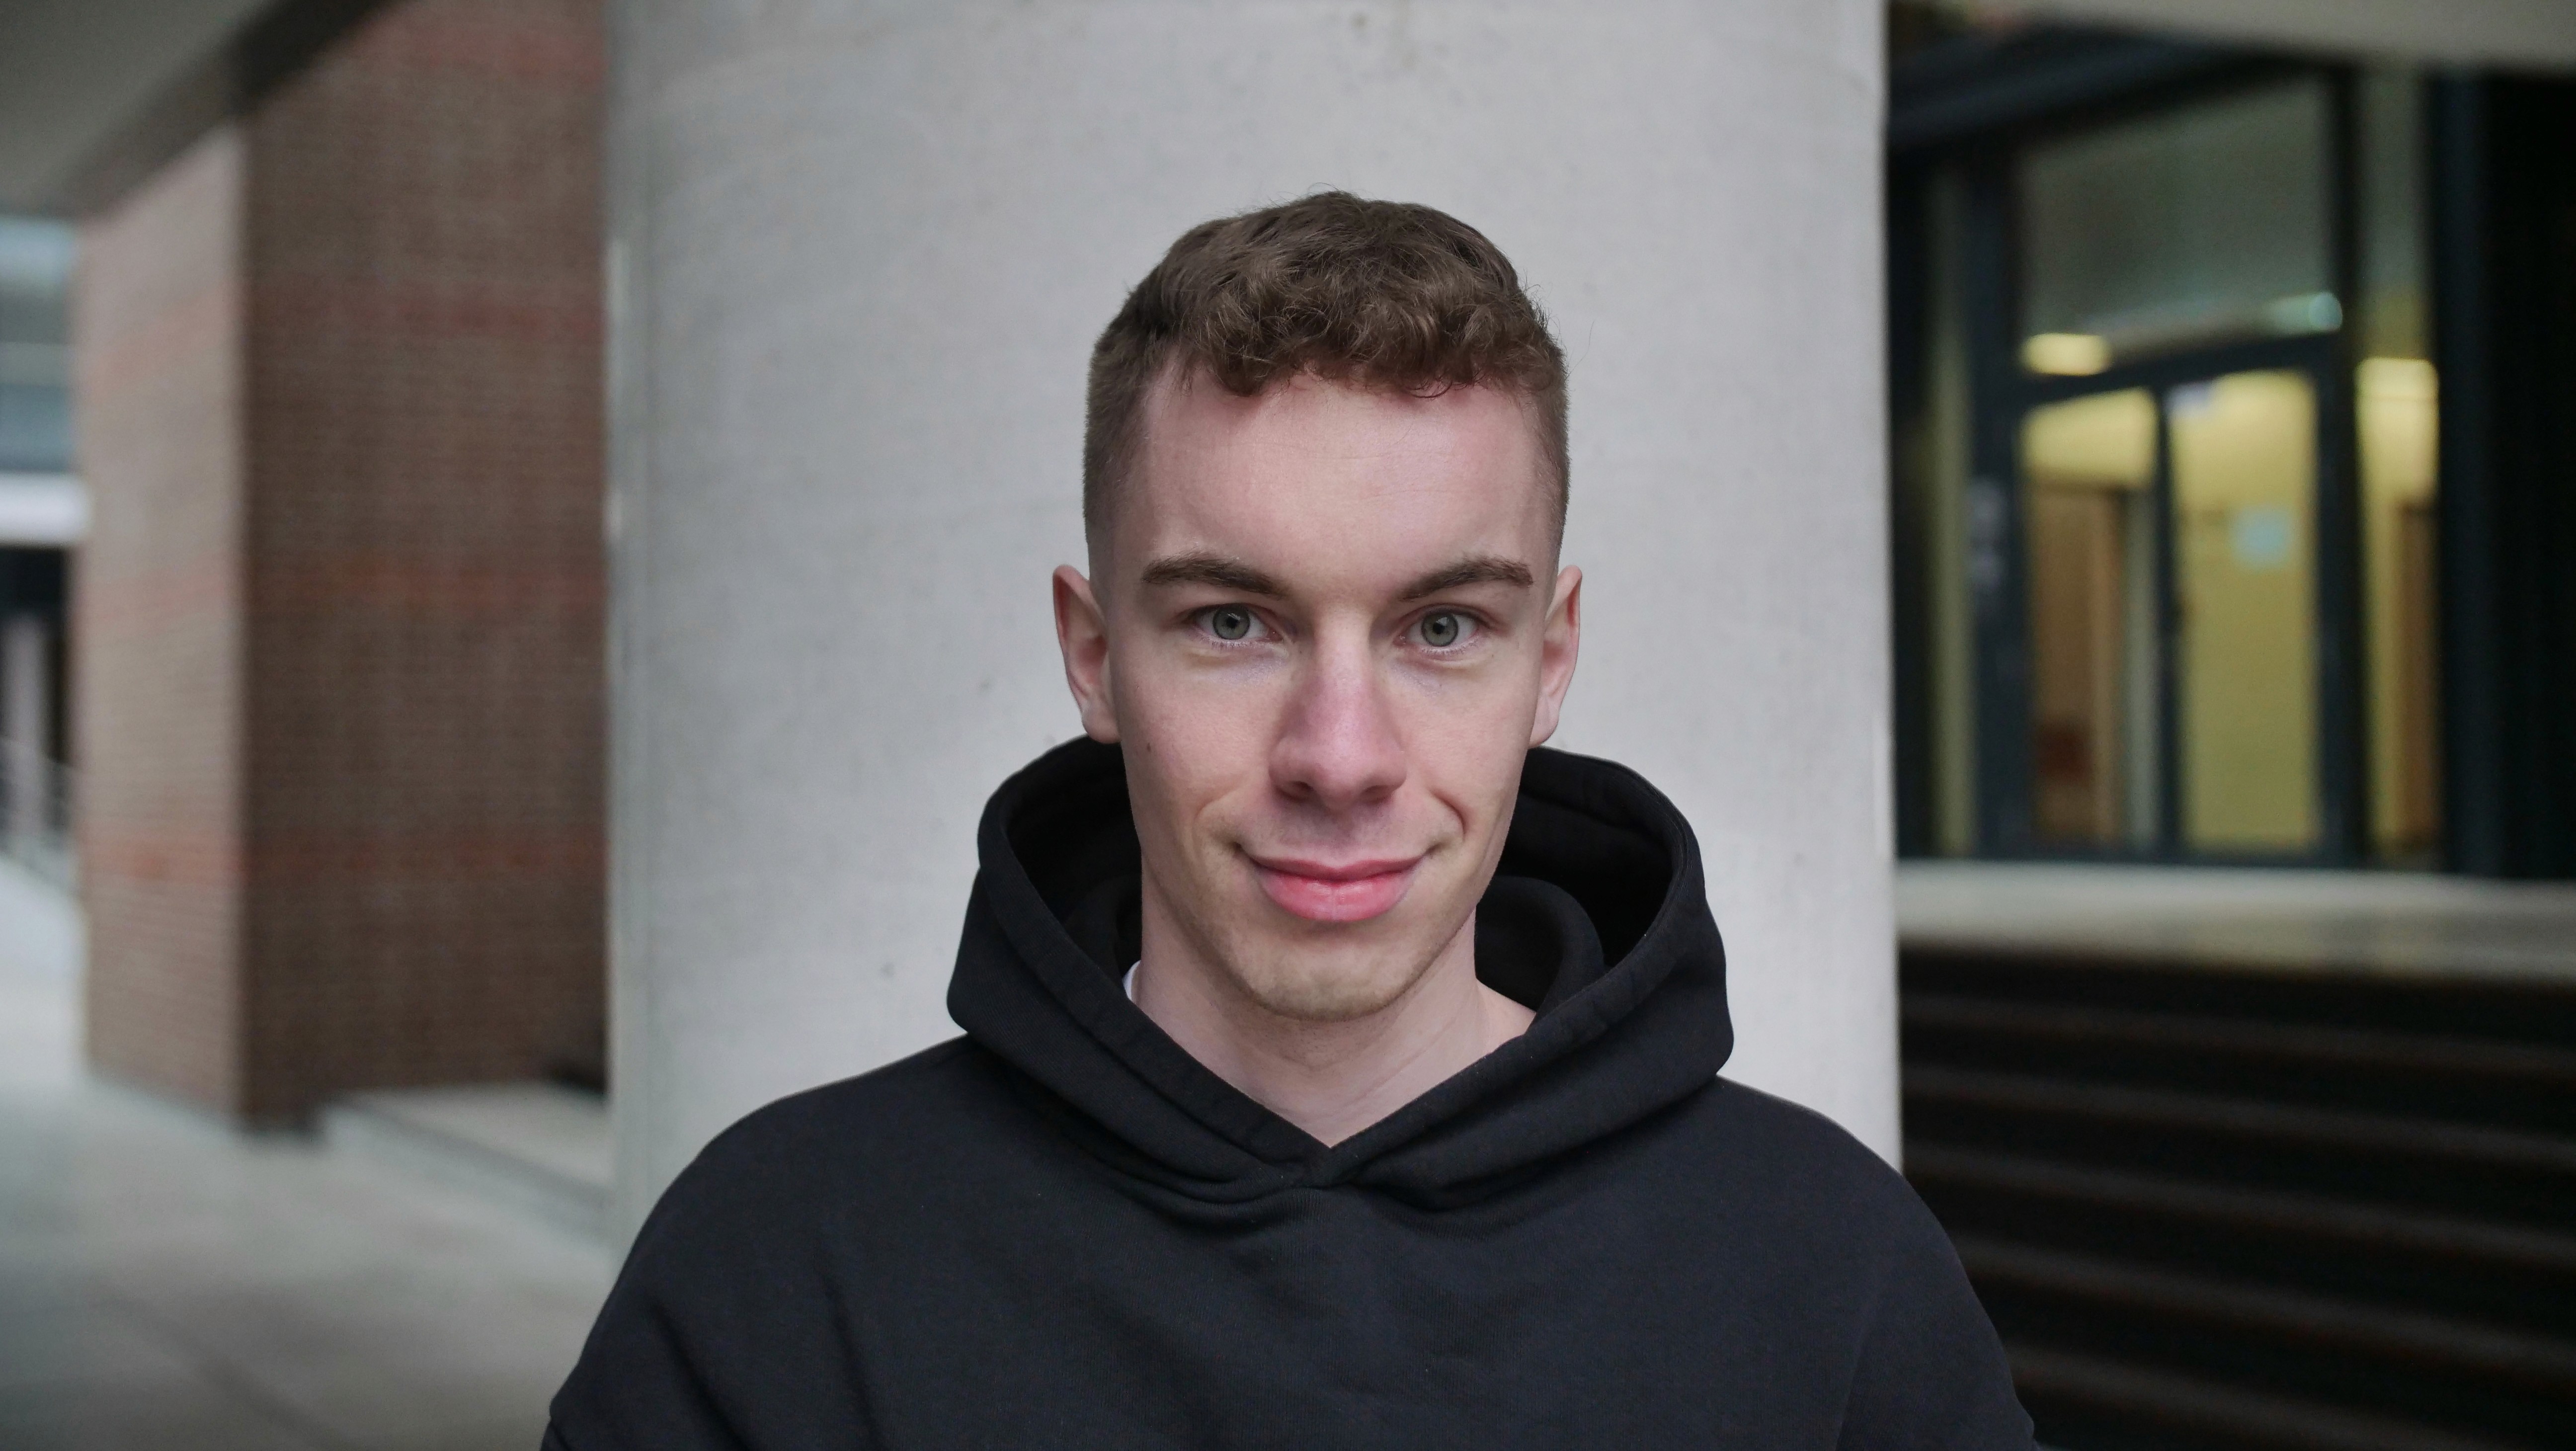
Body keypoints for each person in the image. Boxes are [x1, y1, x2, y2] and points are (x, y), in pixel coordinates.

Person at [545, 193, 2032, 1449]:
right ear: (1093, 656)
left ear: (1552, 660)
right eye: (1233, 622)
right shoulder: (784, 1266)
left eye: (1442, 627)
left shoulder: (1832, 1273)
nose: (1340, 757)